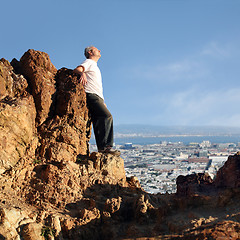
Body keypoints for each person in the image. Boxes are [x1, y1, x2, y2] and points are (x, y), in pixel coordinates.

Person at [73, 46, 120, 156]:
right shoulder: (89, 62)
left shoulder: (94, 65)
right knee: (107, 116)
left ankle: (102, 148)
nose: (99, 51)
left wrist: (102, 100)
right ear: (90, 52)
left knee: (98, 121)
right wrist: (82, 73)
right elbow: (77, 69)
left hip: (97, 96)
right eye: (96, 49)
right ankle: (107, 146)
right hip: (91, 95)